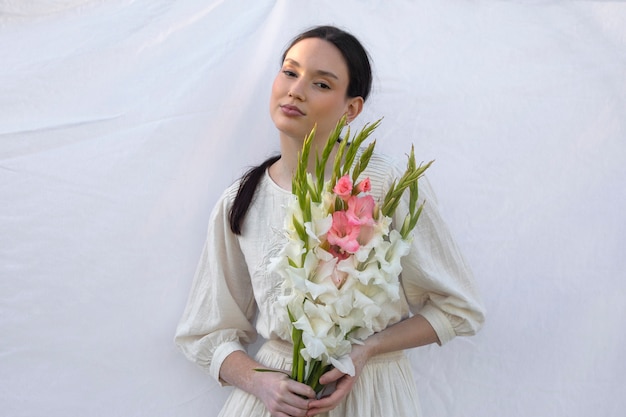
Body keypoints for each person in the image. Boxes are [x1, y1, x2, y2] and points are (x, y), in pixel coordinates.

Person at [175, 25, 485, 417]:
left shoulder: (386, 184)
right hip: (273, 402)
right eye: (290, 72)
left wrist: (367, 349)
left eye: (321, 84)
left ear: (351, 108)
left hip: (369, 394)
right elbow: (206, 330)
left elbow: (459, 308)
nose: (296, 90)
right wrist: (259, 380)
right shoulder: (242, 200)